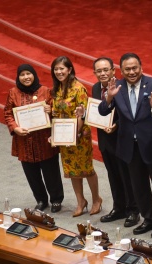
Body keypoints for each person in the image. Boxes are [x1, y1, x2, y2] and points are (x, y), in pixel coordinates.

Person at [99, 53, 152, 238]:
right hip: (129, 146)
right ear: (121, 71)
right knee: (139, 186)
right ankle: (149, 219)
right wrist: (109, 98)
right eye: (127, 69)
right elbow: (102, 111)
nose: (131, 72)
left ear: (141, 67)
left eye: (134, 68)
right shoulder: (117, 87)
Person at [4, 64, 64, 213]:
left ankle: (56, 199)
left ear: (34, 75)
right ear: (18, 77)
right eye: (22, 75)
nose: (26, 77)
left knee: (51, 171)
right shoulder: (13, 93)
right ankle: (41, 200)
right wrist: (15, 128)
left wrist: (51, 110)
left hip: (44, 140)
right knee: (32, 174)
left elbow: (55, 110)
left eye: (28, 74)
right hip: (24, 141)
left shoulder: (45, 91)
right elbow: (8, 113)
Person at [50, 56, 102, 218]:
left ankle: (96, 199)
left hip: (79, 135)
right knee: (71, 170)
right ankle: (81, 201)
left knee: (86, 169)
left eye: (62, 69)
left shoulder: (78, 88)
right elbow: (57, 113)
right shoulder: (57, 89)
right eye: (56, 69)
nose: (59, 72)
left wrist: (73, 134)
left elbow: (82, 114)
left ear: (70, 69)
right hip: (63, 135)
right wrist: (55, 134)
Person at [91, 57, 140, 228]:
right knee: (113, 175)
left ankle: (134, 210)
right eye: (99, 71)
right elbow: (98, 112)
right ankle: (119, 208)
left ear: (113, 70)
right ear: (95, 73)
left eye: (106, 70)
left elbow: (130, 114)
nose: (103, 73)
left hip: (122, 138)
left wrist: (116, 125)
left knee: (127, 177)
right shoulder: (96, 88)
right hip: (105, 140)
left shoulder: (122, 87)